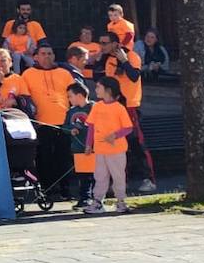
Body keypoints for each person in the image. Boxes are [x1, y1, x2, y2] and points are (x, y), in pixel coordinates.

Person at [96, 33, 156, 193]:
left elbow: (135, 76)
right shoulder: (108, 60)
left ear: (115, 44)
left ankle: (148, 179)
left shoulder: (132, 56)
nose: (102, 46)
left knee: (136, 143)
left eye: (105, 43)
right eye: (100, 43)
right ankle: (120, 181)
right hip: (114, 106)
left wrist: (124, 61)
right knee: (117, 145)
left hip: (130, 106)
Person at [21, 45, 83, 190]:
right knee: (44, 158)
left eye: (50, 53)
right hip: (40, 122)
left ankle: (66, 189)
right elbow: (24, 99)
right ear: (35, 57)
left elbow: (74, 96)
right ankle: (47, 190)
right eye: (43, 54)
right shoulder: (27, 74)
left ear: (54, 56)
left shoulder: (64, 73)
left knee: (64, 157)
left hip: (64, 122)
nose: (46, 56)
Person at [85, 76, 135, 214]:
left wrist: (114, 135)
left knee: (118, 176)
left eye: (98, 87)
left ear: (108, 90)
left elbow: (128, 128)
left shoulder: (119, 108)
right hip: (100, 150)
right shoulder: (97, 106)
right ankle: (97, 202)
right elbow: (91, 127)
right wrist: (89, 144)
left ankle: (121, 202)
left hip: (116, 150)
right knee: (100, 176)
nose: (96, 90)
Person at [64, 81, 96, 209]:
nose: (69, 99)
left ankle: (94, 197)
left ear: (79, 95)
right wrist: (70, 130)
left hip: (93, 147)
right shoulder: (71, 111)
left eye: (70, 96)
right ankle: (84, 198)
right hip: (78, 148)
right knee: (82, 175)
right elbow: (65, 126)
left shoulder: (94, 107)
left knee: (94, 174)